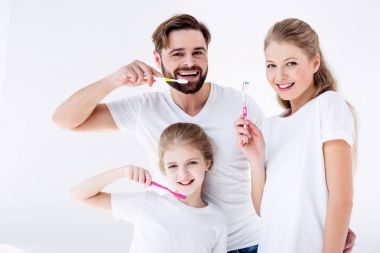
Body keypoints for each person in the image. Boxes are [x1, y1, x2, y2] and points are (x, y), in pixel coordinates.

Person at [53, 14, 264, 252]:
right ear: (157, 58)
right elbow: (64, 119)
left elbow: (271, 171)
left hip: (247, 242)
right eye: (177, 54)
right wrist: (114, 80)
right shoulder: (144, 108)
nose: (189, 63)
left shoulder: (240, 105)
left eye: (198, 52)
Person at [235, 18, 357, 253]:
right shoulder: (269, 127)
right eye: (271, 65)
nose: (279, 75)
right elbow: (264, 210)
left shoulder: (328, 106)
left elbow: (342, 200)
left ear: (315, 62)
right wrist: (255, 159)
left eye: (290, 63)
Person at [71, 122, 227, 252]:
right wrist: (122, 172)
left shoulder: (217, 220)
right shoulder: (147, 204)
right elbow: (79, 195)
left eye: (191, 163)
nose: (183, 173)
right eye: (172, 166)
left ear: (207, 163)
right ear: (164, 169)